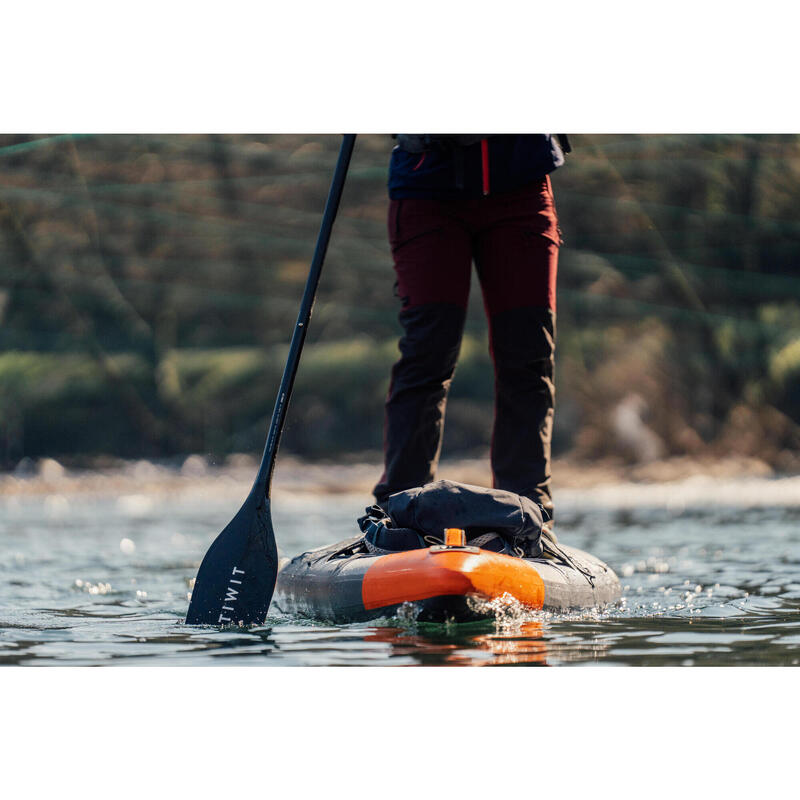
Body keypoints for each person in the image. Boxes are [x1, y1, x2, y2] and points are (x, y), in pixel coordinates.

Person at [373, 134, 569, 530]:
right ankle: (399, 512)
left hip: (521, 187)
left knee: (528, 357)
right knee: (428, 353)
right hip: (427, 187)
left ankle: (528, 512)